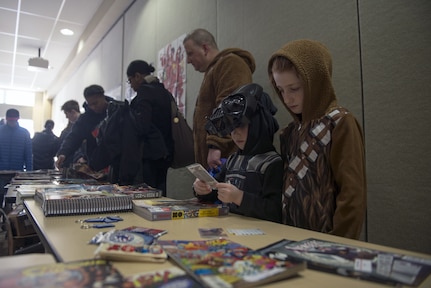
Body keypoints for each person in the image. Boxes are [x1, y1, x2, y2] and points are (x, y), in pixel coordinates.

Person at [267, 39, 367, 239]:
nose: (287, 99)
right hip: (291, 239)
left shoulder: (339, 124)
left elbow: (352, 195)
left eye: (294, 88)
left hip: (329, 244)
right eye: (281, 90)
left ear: (316, 82)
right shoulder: (289, 133)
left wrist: (339, 243)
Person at [193, 83, 282, 223]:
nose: (235, 133)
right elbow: (217, 192)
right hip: (231, 228)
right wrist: (203, 190)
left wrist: (239, 198)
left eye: (241, 125)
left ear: (258, 123)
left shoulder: (272, 163)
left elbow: (275, 211)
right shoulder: (232, 160)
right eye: (232, 127)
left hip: (262, 233)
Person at [183, 28, 256, 169]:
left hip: (225, 159)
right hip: (217, 161)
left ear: (205, 48)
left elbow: (231, 104)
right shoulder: (215, 69)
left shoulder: (230, 64)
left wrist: (217, 144)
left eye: (190, 53)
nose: (188, 60)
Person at [124, 60, 174, 195]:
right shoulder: (162, 90)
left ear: (138, 76)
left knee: (147, 194)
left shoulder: (144, 91)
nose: (131, 85)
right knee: (161, 192)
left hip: (151, 152)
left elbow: (142, 125)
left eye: (130, 80)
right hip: (166, 151)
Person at [56, 85, 112, 169]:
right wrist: (63, 153)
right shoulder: (85, 119)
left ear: (102, 97)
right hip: (95, 165)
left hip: (115, 164)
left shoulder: (117, 112)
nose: (93, 107)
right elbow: (74, 137)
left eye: (95, 103)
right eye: (90, 105)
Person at [58, 100, 82, 168]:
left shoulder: (84, 124)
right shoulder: (73, 127)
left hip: (82, 163)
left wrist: (82, 157)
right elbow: (70, 141)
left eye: (66, 114)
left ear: (73, 112)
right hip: (72, 163)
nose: (66, 117)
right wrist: (62, 153)